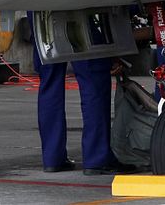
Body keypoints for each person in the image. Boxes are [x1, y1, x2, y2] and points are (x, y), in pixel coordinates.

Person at [29, 13, 133, 176]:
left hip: (38, 7)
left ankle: (52, 158)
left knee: (49, 81)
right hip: (75, 2)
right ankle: (97, 157)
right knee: (93, 77)